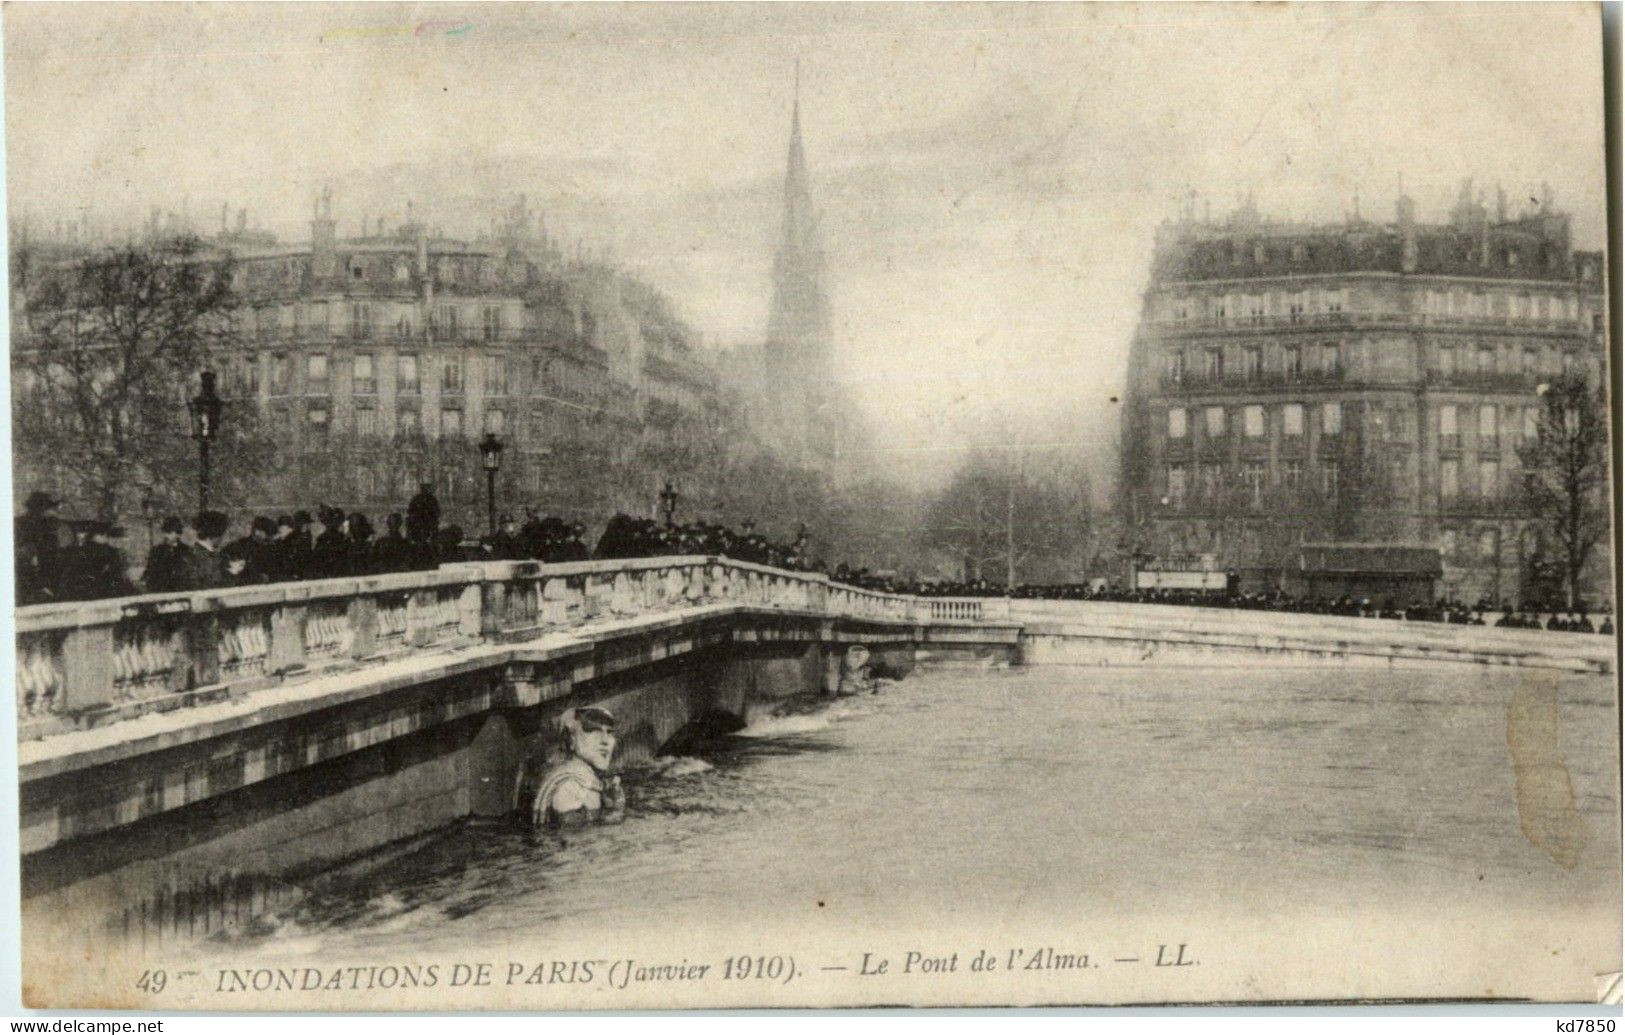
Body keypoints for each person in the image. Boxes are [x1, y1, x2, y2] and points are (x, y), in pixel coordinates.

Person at [517, 706, 626, 838]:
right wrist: (616, 811)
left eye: (609, 732)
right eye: (594, 731)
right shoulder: (569, 787)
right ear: (572, 739)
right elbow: (575, 844)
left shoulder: (584, 780)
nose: (605, 741)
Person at [15, 490, 67, 605]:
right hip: (36, 580)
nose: (51, 512)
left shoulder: (21, 523)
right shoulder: (41, 526)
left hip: (36, 579)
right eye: (48, 508)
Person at [143, 516, 194, 592]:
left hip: (181, 591)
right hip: (163, 591)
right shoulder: (157, 551)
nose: (174, 535)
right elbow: (151, 572)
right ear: (165, 533)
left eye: (177, 532)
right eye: (170, 532)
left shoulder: (186, 550)